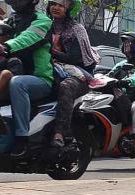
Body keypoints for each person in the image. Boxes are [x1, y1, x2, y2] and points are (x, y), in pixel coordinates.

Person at [46, 0, 99, 147]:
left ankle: (60, 133)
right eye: (52, 3)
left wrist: (51, 53)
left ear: (69, 8)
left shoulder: (77, 29)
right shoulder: (44, 25)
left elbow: (74, 58)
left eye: (60, 5)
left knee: (66, 87)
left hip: (78, 76)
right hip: (50, 70)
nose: (55, 7)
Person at [5, 0, 53, 157]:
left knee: (18, 84)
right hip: (12, 71)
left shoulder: (42, 20)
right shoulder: (10, 20)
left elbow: (26, 38)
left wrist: (5, 47)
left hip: (39, 79)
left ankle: (21, 138)